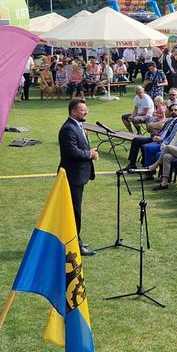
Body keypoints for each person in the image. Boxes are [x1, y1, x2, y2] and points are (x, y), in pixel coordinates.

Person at [58, 99, 99, 256]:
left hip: (77, 175)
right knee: (75, 211)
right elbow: (72, 152)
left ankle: (75, 238)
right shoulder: (68, 128)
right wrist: (90, 154)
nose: (86, 112)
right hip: (72, 175)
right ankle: (76, 244)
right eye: (83, 110)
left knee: (73, 210)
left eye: (86, 109)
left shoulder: (76, 126)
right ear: (74, 112)